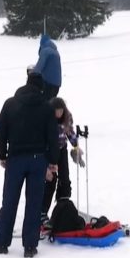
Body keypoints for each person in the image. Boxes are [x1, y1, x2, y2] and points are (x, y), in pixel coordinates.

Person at [0, 70, 58, 258]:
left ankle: (1, 242)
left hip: (16, 158)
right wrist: (52, 161)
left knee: (9, 201)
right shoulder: (46, 107)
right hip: (38, 160)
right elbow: (52, 136)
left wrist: (3, 154)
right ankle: (30, 246)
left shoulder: (10, 104)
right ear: (41, 87)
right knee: (34, 203)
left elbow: (0, 131)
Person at [41, 97, 80, 227]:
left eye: (61, 111)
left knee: (65, 178)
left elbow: (70, 133)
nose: (59, 113)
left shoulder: (67, 118)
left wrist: (76, 147)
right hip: (49, 151)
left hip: (62, 150)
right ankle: (42, 211)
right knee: (51, 179)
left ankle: (63, 206)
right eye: (56, 111)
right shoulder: (46, 119)